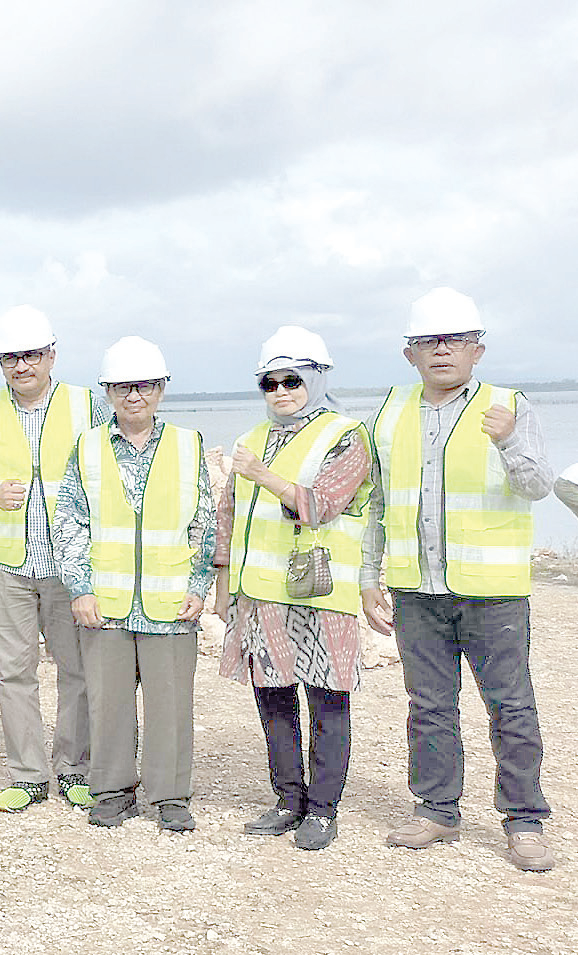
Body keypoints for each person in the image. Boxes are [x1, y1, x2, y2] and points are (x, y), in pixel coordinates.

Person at [363, 287, 556, 872]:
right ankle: (437, 810)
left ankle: (524, 820)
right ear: (410, 354)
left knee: (511, 706)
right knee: (428, 706)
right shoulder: (391, 411)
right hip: (416, 589)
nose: (443, 350)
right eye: (430, 341)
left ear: (477, 350)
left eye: (456, 340)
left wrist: (508, 441)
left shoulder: (508, 406)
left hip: (492, 591)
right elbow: (377, 500)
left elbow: (538, 486)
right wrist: (370, 574)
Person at [212, 327, 372, 851]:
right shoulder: (252, 440)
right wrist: (223, 581)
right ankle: (288, 799)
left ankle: (323, 810)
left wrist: (266, 476)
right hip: (259, 594)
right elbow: (229, 515)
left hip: (319, 594)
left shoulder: (346, 435)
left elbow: (324, 503)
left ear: (316, 379)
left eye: (292, 380)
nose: (280, 392)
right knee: (273, 697)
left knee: (328, 699)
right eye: (270, 383)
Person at [0, 306, 111, 812]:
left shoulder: (88, 406)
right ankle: (27, 773)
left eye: (31, 355)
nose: (21, 366)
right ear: (1, 363)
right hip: (7, 566)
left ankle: (73, 769)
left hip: (70, 565)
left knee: (78, 669)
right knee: (13, 670)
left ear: (51, 355)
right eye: (10, 358)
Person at [56, 337, 214, 831]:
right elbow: (69, 521)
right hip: (106, 601)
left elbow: (203, 522)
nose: (134, 396)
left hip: (170, 599)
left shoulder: (189, 445)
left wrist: (199, 584)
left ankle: (169, 795)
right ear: (108, 392)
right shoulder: (87, 448)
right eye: (123, 387)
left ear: (161, 389)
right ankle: (110, 790)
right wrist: (79, 587)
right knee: (108, 701)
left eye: (144, 386)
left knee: (171, 703)